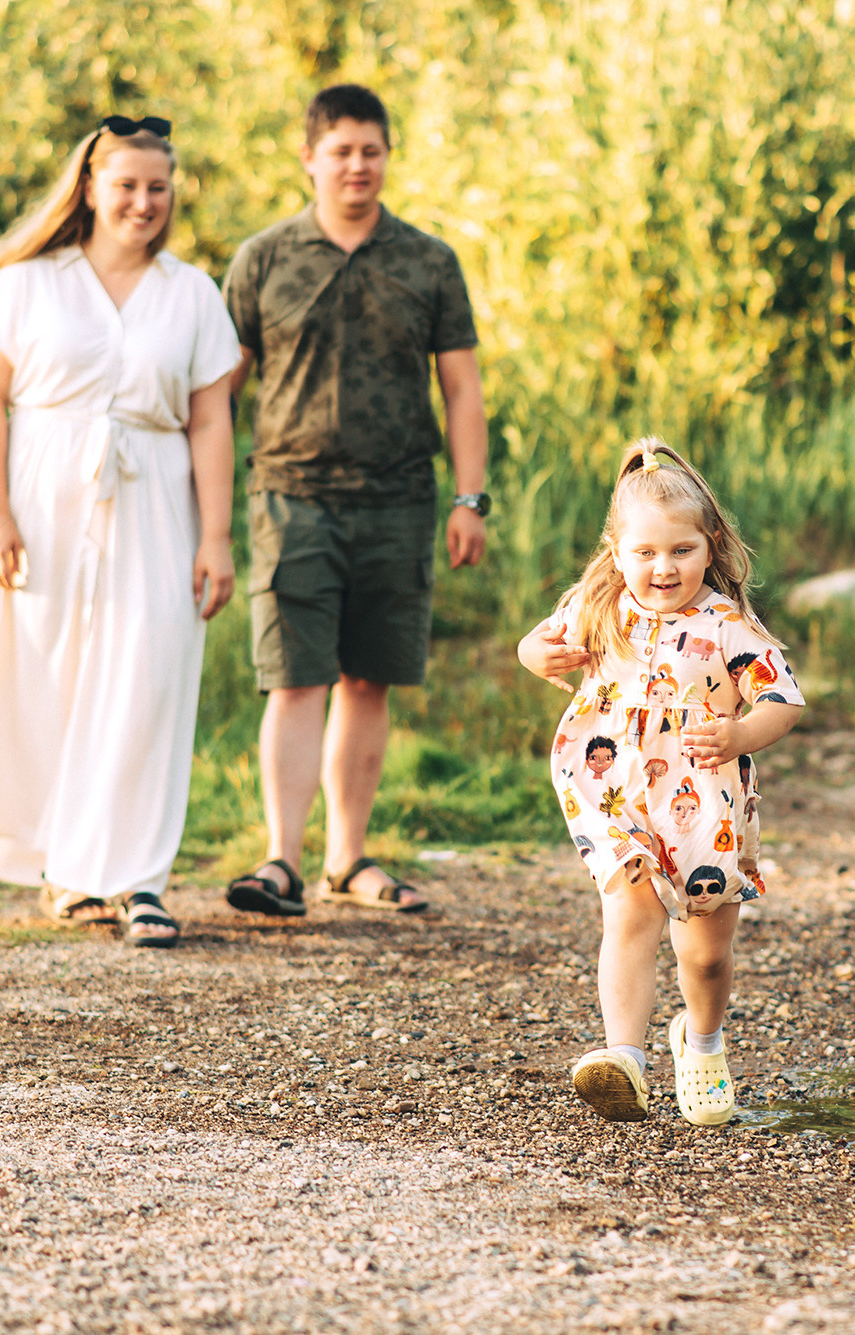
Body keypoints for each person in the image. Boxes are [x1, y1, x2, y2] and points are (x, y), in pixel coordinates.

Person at [0, 115, 242, 948]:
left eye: (157, 188)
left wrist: (217, 537)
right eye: (125, 185)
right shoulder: (28, 284)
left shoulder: (193, 293)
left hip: (156, 496)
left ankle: (138, 880)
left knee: (147, 676)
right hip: (41, 495)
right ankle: (65, 864)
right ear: (90, 188)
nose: (142, 202)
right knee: (42, 680)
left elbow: (210, 423)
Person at [220, 85, 487, 918]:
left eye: (371, 149)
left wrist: (469, 496)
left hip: (400, 501)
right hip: (291, 497)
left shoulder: (428, 260)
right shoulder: (263, 258)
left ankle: (348, 859)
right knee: (295, 681)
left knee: (367, 679)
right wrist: (198, 511)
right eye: (340, 150)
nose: (357, 165)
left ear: (388, 156)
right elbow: (219, 393)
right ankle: (280, 862)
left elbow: (463, 389)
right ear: (309, 157)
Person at [517, 440, 805, 1125]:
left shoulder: (728, 623)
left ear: (708, 547)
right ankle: (625, 1060)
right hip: (613, 789)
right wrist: (540, 654)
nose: (662, 567)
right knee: (632, 911)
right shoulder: (600, 601)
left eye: (680, 550)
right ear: (617, 552)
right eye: (644, 553)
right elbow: (535, 643)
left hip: (705, 804)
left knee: (705, 954)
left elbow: (784, 700)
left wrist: (739, 734)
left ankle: (700, 1041)